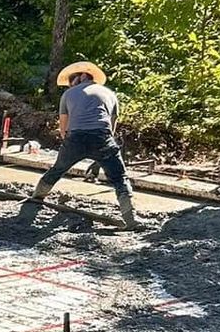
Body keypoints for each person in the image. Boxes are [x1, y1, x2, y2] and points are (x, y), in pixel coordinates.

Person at [24, 60, 138, 230]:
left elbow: (64, 128)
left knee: (57, 169)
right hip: (102, 138)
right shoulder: (110, 94)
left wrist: (70, 146)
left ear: (83, 75)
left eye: (71, 80)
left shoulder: (68, 95)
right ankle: (131, 220)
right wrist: (100, 156)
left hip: (75, 138)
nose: (70, 85)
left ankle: (37, 197)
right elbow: (111, 128)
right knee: (119, 178)